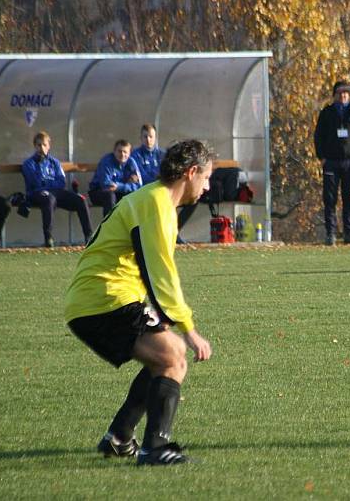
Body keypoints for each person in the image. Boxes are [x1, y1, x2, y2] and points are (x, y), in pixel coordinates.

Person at [65, 139, 214, 466]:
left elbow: (150, 273)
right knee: (173, 355)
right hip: (104, 298)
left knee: (163, 356)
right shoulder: (157, 203)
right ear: (191, 173)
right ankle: (155, 449)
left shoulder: (155, 200)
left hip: (102, 297)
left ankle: (119, 437)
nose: (207, 187)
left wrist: (163, 319)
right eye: (205, 178)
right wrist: (189, 328)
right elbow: (160, 273)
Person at [314, 81, 350, 245]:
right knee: (330, 199)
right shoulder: (327, 112)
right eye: (340, 93)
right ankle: (330, 234)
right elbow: (318, 136)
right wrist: (322, 157)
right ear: (334, 95)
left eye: (346, 93)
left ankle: (349, 233)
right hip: (331, 161)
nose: (343, 95)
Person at [22, 131, 94, 247]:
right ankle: (48, 237)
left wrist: (46, 183)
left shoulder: (54, 162)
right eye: (39, 145)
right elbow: (34, 182)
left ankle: (89, 236)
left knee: (81, 200)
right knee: (49, 199)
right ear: (35, 146)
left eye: (44, 145)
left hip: (56, 192)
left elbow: (61, 182)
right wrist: (48, 183)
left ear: (49, 146)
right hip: (37, 194)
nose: (41, 148)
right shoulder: (29, 163)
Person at [88, 140, 143, 216]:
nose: (122, 154)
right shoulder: (106, 161)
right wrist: (127, 183)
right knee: (110, 196)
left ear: (129, 153)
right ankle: (109, 226)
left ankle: (133, 227)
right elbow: (106, 185)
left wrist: (119, 186)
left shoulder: (131, 162)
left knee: (133, 196)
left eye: (125, 152)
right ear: (114, 151)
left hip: (118, 191)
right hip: (98, 191)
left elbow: (139, 185)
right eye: (119, 151)